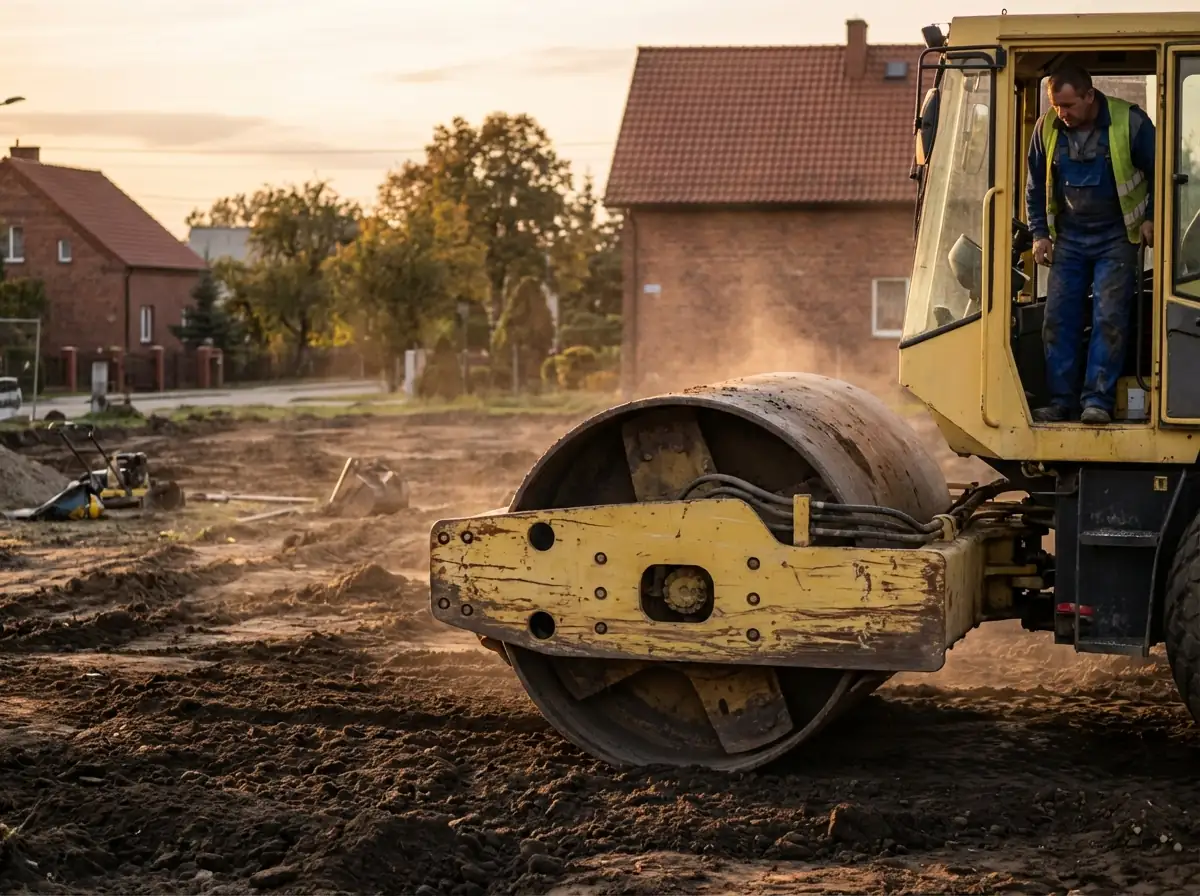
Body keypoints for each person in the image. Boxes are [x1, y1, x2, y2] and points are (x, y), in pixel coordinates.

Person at [1026, 63, 1156, 424]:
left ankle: (1096, 401)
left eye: (1068, 106)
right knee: (1058, 319)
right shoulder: (1046, 128)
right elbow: (1036, 185)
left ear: (1089, 95)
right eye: (1056, 106)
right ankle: (1062, 402)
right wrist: (1040, 233)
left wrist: (1152, 217)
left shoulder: (1130, 123)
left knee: (1109, 317)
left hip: (1117, 237)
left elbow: (1163, 171)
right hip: (1069, 239)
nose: (1061, 114)